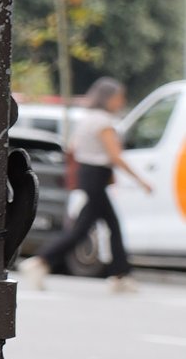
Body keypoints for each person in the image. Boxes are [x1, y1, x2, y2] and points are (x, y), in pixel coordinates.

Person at [33, 76, 144, 285]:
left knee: (87, 227)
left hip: (88, 175)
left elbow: (74, 148)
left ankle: (120, 275)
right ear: (109, 98)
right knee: (106, 226)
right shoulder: (104, 122)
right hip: (97, 177)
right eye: (120, 97)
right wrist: (141, 181)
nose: (121, 102)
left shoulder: (87, 119)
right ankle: (120, 275)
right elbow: (115, 156)